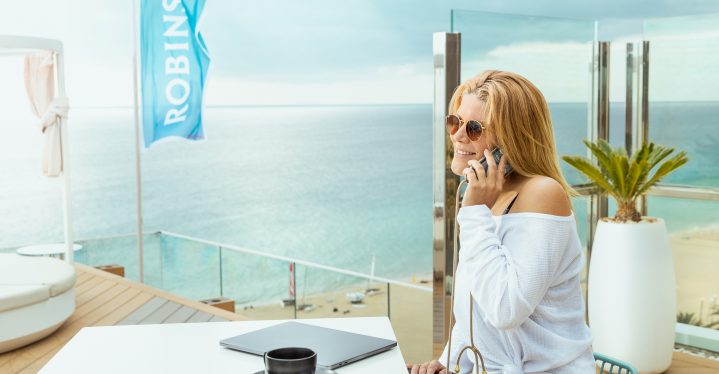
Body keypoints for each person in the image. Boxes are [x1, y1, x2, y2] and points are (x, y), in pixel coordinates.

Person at [408, 70, 594, 374]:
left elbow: (505, 309)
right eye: (454, 122)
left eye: (475, 128)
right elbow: (477, 302)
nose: (457, 135)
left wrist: (473, 210)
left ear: (510, 140)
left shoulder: (542, 194)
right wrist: (445, 362)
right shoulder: (488, 196)